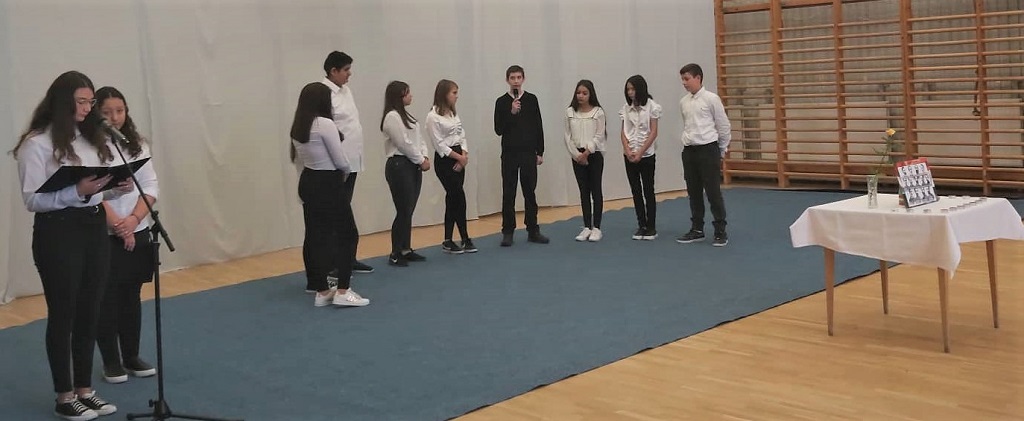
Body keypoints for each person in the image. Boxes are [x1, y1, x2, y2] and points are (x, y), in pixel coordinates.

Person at [13, 71, 130, 420]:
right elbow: (33, 200)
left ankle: (84, 390)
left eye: (90, 102)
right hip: (58, 233)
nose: (88, 108)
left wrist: (113, 189)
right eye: (81, 101)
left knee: (89, 311)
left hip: (92, 228)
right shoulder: (37, 143)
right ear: (62, 101)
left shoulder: (89, 139)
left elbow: (92, 194)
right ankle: (64, 396)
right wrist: (76, 191)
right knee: (64, 314)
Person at [93, 86, 159, 385]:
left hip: (137, 227)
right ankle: (111, 361)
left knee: (131, 295)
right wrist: (118, 225)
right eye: (107, 112)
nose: (114, 117)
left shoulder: (136, 144)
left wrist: (133, 220)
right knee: (105, 297)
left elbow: (151, 187)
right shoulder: (87, 148)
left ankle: (131, 355)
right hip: (102, 231)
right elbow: (92, 193)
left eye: (119, 111)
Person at [290, 82, 369, 307]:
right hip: (328, 181)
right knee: (347, 234)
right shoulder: (324, 124)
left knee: (316, 236)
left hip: (309, 179)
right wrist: (345, 172)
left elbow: (301, 159)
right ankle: (343, 289)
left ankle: (321, 290)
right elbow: (340, 159)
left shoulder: (299, 126)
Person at [320, 51, 374, 279]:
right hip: (337, 163)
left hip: (352, 160)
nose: (349, 74)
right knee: (336, 214)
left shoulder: (346, 91)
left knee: (345, 212)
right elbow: (328, 129)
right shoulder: (324, 93)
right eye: (346, 70)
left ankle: (347, 258)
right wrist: (338, 164)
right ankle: (334, 263)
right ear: (333, 71)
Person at [675, 63, 731, 247]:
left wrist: (721, 150)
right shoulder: (684, 102)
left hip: (708, 149)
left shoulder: (711, 99)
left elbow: (723, 126)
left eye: (687, 79)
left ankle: (720, 230)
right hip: (690, 150)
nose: (684, 83)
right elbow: (688, 125)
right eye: (682, 79)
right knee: (693, 192)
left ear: (698, 78)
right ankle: (697, 229)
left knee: (713, 192)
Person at [494, 65, 548, 246]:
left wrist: (540, 151)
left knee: (530, 192)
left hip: (528, 153)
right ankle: (508, 231)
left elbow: (538, 126)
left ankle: (533, 230)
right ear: (507, 80)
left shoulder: (531, 99)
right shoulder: (501, 102)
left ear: (523, 79)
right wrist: (511, 112)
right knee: (508, 193)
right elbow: (498, 129)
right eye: (512, 78)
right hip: (509, 154)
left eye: (518, 77)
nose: (516, 81)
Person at [380, 81, 431, 266]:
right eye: (407, 93)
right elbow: (402, 143)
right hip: (399, 165)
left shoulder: (407, 116)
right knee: (403, 209)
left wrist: (424, 156)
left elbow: (418, 139)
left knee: (409, 208)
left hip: (412, 164)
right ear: (399, 96)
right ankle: (395, 252)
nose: (411, 96)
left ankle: (405, 248)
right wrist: (420, 159)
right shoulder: (392, 117)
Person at [426, 79, 477, 254]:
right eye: (454, 93)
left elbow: (461, 135)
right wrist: (458, 158)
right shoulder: (433, 116)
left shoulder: (453, 114)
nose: (457, 96)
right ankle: (464, 236)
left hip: (458, 156)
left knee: (453, 198)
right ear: (444, 94)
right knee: (458, 196)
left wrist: (464, 154)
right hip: (446, 160)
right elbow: (439, 144)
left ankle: (449, 239)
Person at [563, 80, 607, 242]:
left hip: (593, 155)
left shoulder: (598, 112)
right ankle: (587, 226)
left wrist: (587, 152)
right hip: (577, 156)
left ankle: (597, 227)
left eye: (584, 93)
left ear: (590, 95)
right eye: (578, 93)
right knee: (583, 191)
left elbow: (599, 135)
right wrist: (576, 154)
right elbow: (567, 136)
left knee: (596, 190)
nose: (581, 96)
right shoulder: (570, 112)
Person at [619, 75, 661, 240]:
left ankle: (651, 227)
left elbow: (654, 132)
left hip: (647, 155)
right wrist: (627, 150)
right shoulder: (625, 109)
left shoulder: (652, 107)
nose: (630, 92)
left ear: (640, 89)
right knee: (635, 190)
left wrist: (641, 152)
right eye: (628, 89)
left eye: (633, 89)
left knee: (648, 190)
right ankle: (641, 224)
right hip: (629, 155)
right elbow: (623, 132)